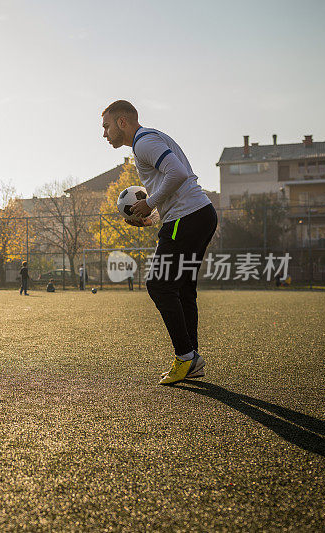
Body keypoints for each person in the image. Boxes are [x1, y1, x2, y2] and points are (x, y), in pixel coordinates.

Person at [102, 100, 217, 385]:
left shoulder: (143, 142)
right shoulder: (152, 138)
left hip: (187, 217)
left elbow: (177, 173)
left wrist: (149, 202)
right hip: (200, 214)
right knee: (183, 289)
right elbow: (175, 179)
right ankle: (192, 359)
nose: (104, 134)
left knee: (159, 284)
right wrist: (152, 214)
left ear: (122, 122)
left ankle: (186, 357)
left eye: (106, 126)